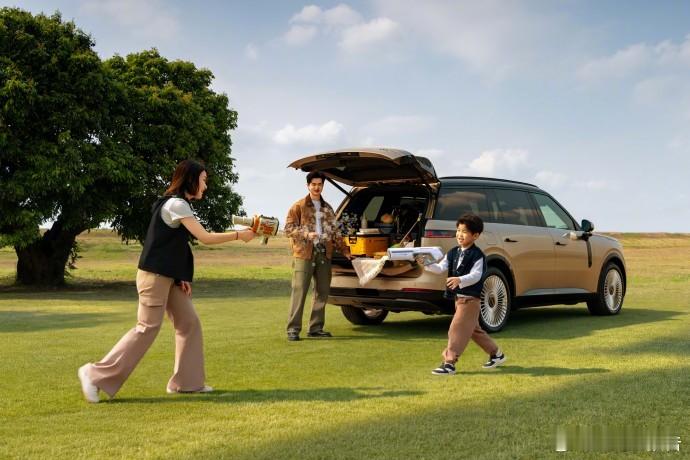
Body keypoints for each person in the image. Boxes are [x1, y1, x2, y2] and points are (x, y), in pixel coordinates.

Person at [78, 159, 255, 403]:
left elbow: (174, 245)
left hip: (169, 278)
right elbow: (204, 237)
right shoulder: (176, 204)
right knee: (146, 328)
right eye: (203, 180)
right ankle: (94, 374)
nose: (205, 186)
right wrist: (239, 235)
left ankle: (187, 384)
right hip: (154, 277)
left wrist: (180, 277)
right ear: (191, 179)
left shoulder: (179, 205)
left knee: (189, 323)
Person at [423, 213, 506, 375]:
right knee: (474, 330)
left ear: (475, 236)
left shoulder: (478, 255)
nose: (460, 235)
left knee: (456, 329)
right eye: (458, 230)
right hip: (459, 299)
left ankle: (449, 363)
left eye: (465, 232)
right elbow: (440, 268)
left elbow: (476, 275)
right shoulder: (453, 252)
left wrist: (459, 279)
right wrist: (426, 263)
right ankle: (497, 354)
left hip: (470, 300)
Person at [284, 170, 352, 341]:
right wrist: (306, 234)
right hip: (304, 253)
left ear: (323, 186)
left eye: (319, 184)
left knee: (322, 292)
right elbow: (288, 229)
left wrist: (345, 250)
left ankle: (315, 328)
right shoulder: (298, 206)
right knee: (299, 291)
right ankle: (293, 330)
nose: (316, 187)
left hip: (324, 252)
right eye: (313, 184)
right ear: (308, 185)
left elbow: (335, 232)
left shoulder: (328, 208)